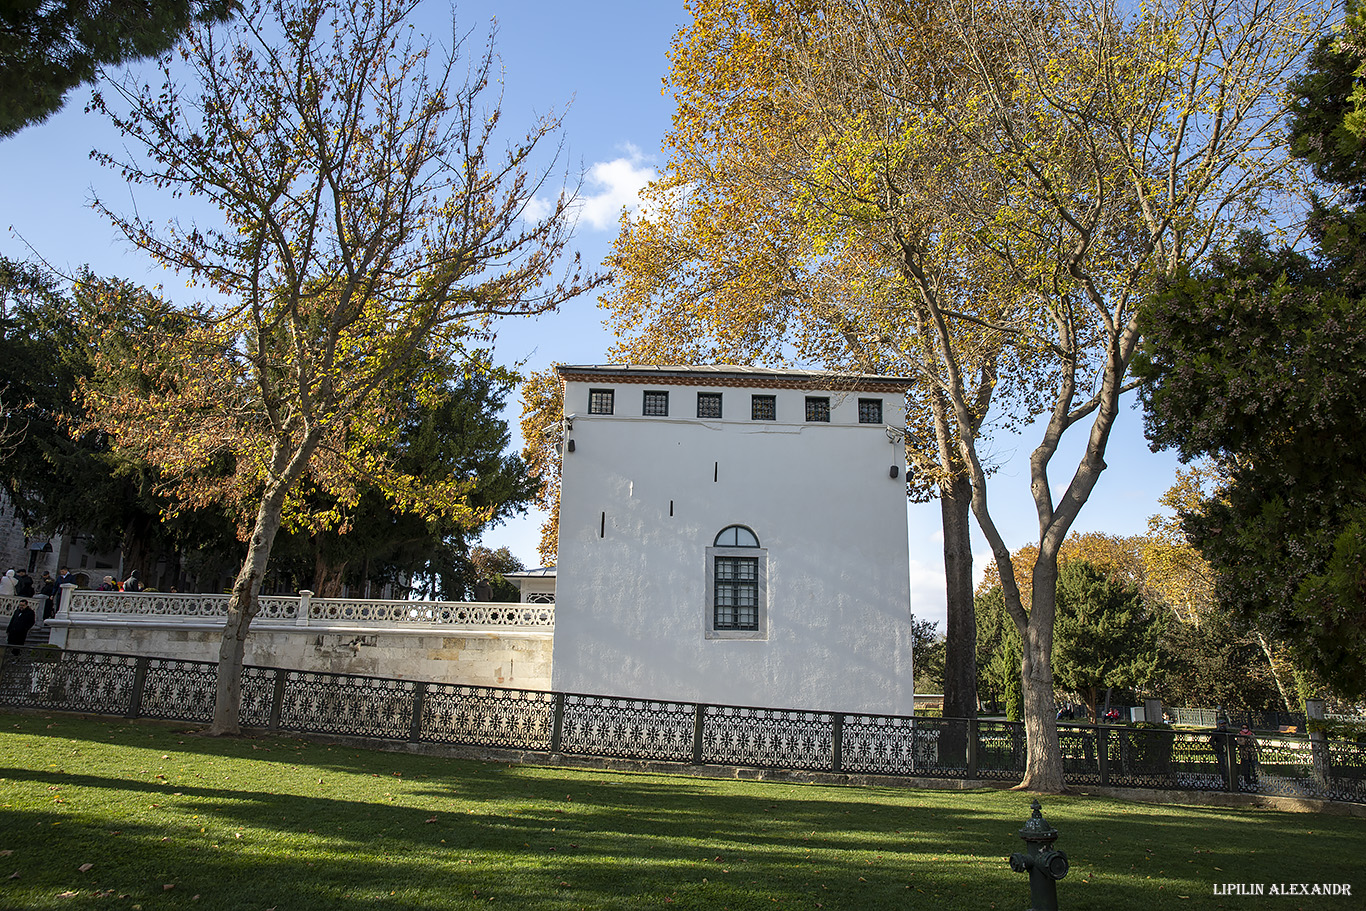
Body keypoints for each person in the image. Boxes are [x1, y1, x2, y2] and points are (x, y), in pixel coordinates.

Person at [1210, 715, 1232, 786]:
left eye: (1224, 724)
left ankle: (1230, 779)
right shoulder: (1216, 733)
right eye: (1221, 724)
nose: (1223, 725)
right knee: (1222, 766)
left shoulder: (1229, 733)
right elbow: (1211, 742)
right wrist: (1216, 748)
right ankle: (1224, 779)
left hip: (1228, 752)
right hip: (1220, 751)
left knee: (1230, 766)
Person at [1237, 724, 1260, 790]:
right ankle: (1247, 781)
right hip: (1244, 754)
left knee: (1254, 767)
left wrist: (1258, 749)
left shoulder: (1251, 734)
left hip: (1252, 754)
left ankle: (1255, 780)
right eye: (1243, 728)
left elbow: (1255, 742)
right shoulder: (1239, 735)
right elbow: (1240, 743)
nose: (1245, 729)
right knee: (1246, 768)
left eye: (1246, 728)